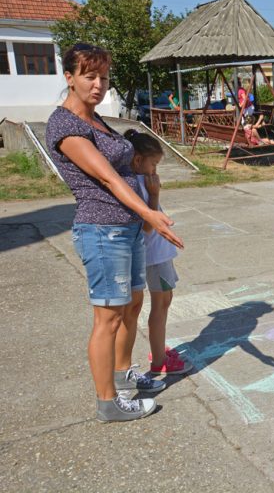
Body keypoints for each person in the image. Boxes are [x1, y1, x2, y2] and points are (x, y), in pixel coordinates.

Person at [46, 43, 183, 422]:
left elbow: (127, 165)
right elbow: (107, 178)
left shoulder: (97, 120)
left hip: (126, 230)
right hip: (102, 229)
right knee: (107, 318)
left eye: (104, 77)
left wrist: (145, 212)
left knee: (132, 306)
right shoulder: (65, 125)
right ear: (69, 78)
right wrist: (150, 215)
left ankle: (123, 378)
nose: (98, 84)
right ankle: (108, 402)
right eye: (89, 76)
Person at [124, 129, 192, 376]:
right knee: (161, 303)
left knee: (163, 302)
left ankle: (159, 350)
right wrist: (154, 196)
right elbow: (148, 228)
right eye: (153, 164)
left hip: (157, 255)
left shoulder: (140, 181)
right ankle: (159, 360)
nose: (155, 170)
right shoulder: (139, 185)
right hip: (154, 256)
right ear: (137, 160)